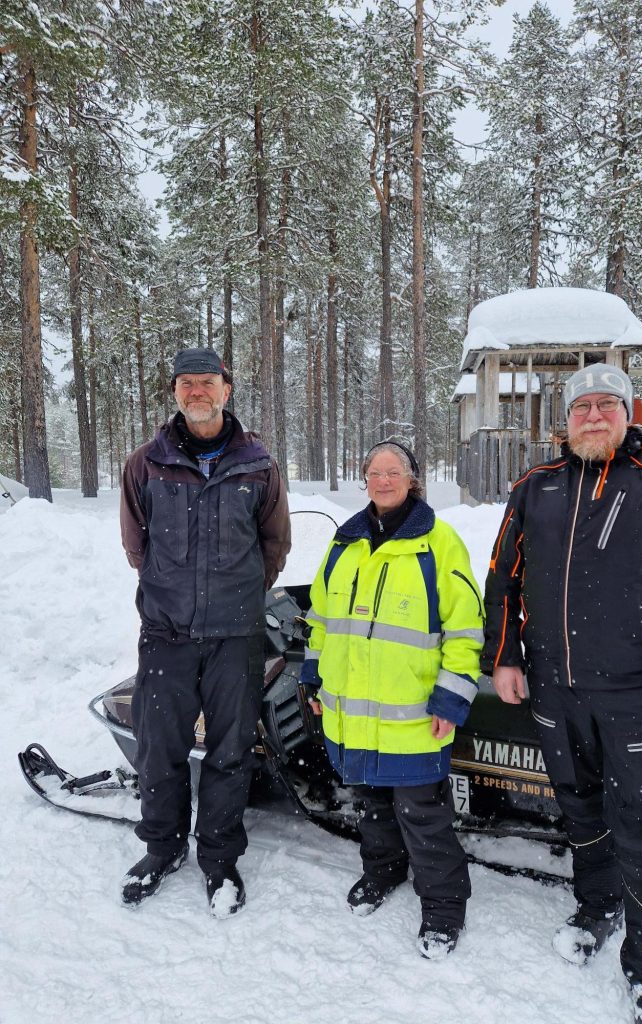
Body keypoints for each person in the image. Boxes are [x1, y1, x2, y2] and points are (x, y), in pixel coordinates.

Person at [481, 363, 642, 1024]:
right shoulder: (534, 488)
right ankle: (597, 903)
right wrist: (503, 657)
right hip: (552, 690)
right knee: (578, 808)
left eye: (607, 405)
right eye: (581, 407)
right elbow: (501, 582)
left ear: (628, 415)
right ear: (564, 421)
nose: (594, 416)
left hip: (637, 694)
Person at [119, 347, 291, 917]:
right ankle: (162, 848)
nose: (197, 391)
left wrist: (235, 597)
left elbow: (274, 545)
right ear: (175, 392)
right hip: (166, 633)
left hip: (235, 638)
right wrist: (173, 593)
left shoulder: (258, 464)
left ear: (227, 388)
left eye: (207, 382)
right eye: (186, 383)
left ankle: (219, 858)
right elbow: (136, 545)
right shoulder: (146, 463)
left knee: (229, 751)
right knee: (159, 747)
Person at [300, 440, 483, 958]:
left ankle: (444, 907)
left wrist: (451, 699)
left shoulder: (439, 542)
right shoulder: (347, 542)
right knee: (371, 803)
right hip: (351, 710)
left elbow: (466, 630)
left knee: (422, 814)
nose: (383, 481)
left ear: (412, 479)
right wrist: (315, 678)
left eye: (393, 472)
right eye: (374, 472)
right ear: (365, 480)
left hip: (413, 715)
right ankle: (382, 872)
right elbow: (320, 617)